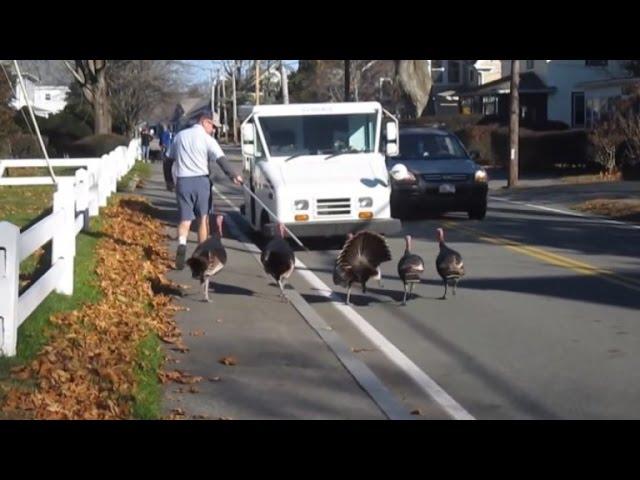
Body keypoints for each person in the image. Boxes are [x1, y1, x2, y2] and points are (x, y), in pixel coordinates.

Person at [164, 111, 243, 270]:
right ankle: (202, 253)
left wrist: (169, 181)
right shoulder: (208, 139)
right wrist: (233, 175)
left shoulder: (180, 136)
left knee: (185, 219)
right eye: (213, 125)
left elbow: (168, 160)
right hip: (201, 182)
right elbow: (221, 160)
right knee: (203, 219)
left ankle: (182, 244)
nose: (214, 129)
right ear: (204, 122)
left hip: (183, 181)